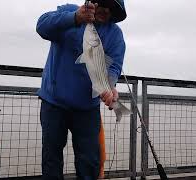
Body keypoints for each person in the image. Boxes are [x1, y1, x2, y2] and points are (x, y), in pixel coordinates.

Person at [36, 0, 127, 179]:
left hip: (87, 108)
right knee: (51, 159)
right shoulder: (69, 12)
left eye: (112, 9)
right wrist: (75, 17)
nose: (106, 10)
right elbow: (42, 26)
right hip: (54, 103)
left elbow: (114, 66)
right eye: (104, 3)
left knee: (90, 162)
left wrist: (111, 86)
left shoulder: (115, 34)